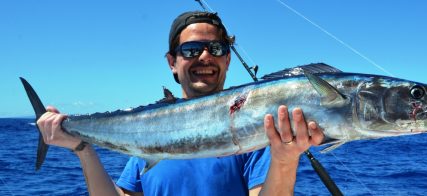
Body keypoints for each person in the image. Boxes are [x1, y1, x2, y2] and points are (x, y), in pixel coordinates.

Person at [37, 11, 324, 195]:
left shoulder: (262, 134)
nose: (204, 57)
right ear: (173, 63)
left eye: (216, 48)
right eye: (191, 49)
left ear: (227, 59)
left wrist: (285, 160)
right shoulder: (149, 135)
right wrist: (81, 148)